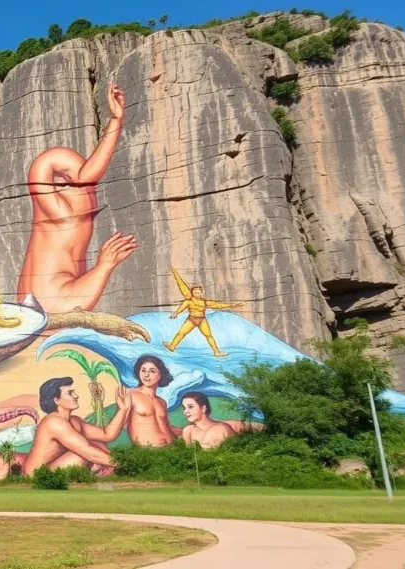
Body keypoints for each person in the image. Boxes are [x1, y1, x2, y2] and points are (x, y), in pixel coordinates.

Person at [16, 81, 137, 314]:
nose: (86, 189)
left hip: (43, 298)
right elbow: (87, 176)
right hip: (49, 298)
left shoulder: (63, 210)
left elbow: (87, 175)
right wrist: (104, 266)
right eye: (72, 181)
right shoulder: (59, 211)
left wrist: (116, 121)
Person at [0, 376, 133, 482]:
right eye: (70, 393)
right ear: (56, 400)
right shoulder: (54, 422)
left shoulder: (75, 421)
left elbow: (107, 434)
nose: (76, 396)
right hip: (30, 470)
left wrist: (123, 410)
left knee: (94, 446)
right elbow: (87, 451)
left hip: (36, 468)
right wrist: (129, 465)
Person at [163, 267, 244, 358]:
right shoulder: (189, 301)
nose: (198, 294)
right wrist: (176, 313)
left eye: (199, 293)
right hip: (191, 319)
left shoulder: (204, 302)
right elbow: (181, 288)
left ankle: (216, 352)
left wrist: (232, 305)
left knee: (208, 335)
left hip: (201, 320)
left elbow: (217, 305)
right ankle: (172, 346)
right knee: (181, 333)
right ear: (192, 292)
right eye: (196, 292)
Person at [126, 355, 178, 446]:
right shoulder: (131, 395)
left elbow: (166, 427)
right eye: (143, 370)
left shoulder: (162, 402)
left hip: (170, 449)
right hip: (148, 452)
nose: (146, 375)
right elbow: (121, 424)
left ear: (160, 375)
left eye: (152, 371)